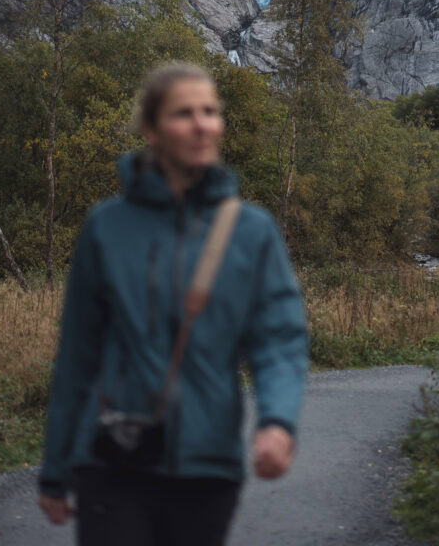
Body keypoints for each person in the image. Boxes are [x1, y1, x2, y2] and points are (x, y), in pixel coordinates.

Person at [38, 62, 308, 545]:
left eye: (210, 111)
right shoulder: (107, 227)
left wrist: (277, 422)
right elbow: (78, 355)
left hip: (208, 465)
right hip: (112, 459)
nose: (202, 123)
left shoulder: (252, 231)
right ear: (151, 129)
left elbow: (279, 338)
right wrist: (55, 468)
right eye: (184, 113)